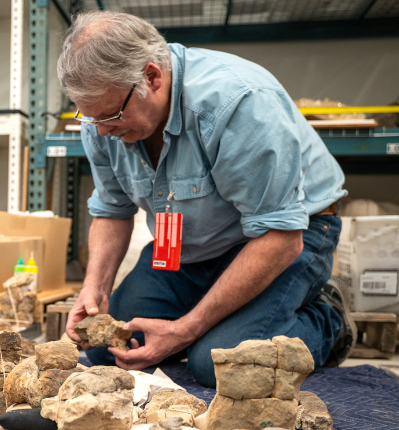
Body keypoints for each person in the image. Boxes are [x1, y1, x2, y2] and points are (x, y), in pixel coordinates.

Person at [58, 12, 353, 386]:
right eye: (89, 117)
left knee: (217, 363)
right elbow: (113, 210)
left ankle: (327, 318)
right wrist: (94, 290)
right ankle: (215, 320)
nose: (101, 131)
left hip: (285, 236)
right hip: (192, 242)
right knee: (108, 347)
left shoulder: (239, 103)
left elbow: (281, 237)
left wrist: (186, 329)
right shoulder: (103, 118)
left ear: (152, 77)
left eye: (112, 115)